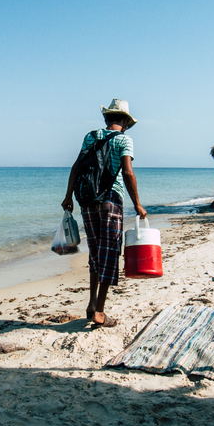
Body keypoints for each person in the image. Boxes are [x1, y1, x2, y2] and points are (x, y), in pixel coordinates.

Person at [62, 99, 147, 329]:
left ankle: (91, 304)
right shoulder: (124, 140)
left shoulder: (90, 136)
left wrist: (68, 196)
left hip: (87, 200)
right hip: (111, 200)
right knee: (109, 252)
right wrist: (138, 204)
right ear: (126, 122)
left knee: (95, 251)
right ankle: (99, 312)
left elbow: (76, 166)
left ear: (106, 119)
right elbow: (128, 172)